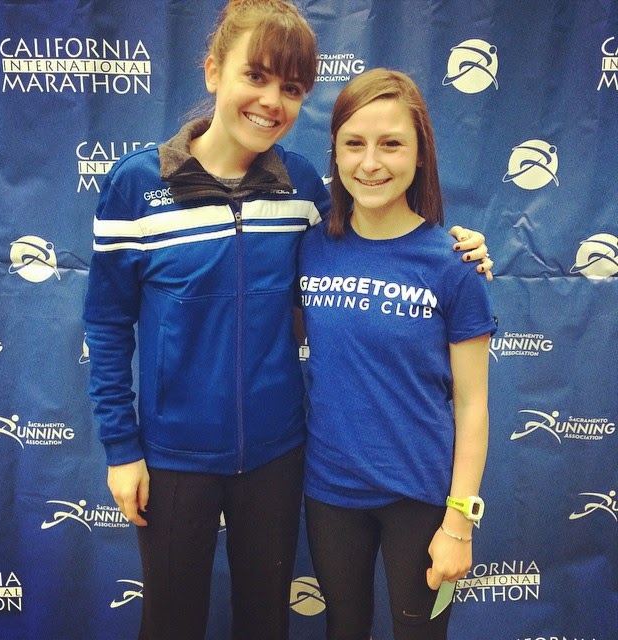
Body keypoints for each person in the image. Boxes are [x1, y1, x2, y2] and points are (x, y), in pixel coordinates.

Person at [83, 1, 491, 637]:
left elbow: (375, 235)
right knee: (170, 623)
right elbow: (108, 326)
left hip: (279, 456)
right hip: (172, 455)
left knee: (265, 622)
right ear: (213, 71)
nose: (271, 101)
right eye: (256, 76)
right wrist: (121, 447)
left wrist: (462, 248)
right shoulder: (136, 185)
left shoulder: (302, 188)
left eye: (293, 88)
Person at [297, 67, 498, 640]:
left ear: (420, 155)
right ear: (335, 153)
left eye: (391, 144)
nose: (370, 163)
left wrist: (459, 521)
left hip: (422, 500)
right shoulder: (310, 249)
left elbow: (473, 405)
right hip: (330, 492)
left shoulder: (455, 265)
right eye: (354, 144)